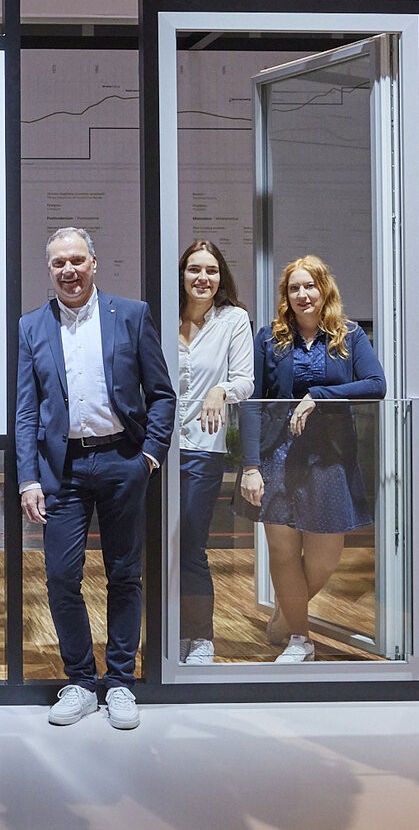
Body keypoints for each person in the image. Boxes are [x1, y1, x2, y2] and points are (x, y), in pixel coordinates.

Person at [16, 227, 174, 730]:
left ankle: (121, 681)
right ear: (50, 270)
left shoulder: (131, 315)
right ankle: (82, 682)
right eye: (59, 262)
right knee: (62, 577)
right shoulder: (31, 327)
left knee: (125, 574)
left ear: (94, 263)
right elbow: (25, 412)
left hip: (123, 461)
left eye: (77, 260)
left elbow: (162, 394)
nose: (69, 270)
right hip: (61, 470)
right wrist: (27, 478)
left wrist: (149, 455)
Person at [238, 254, 386, 663]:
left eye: (309, 286)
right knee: (283, 552)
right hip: (277, 456)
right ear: (285, 296)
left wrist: (318, 397)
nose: (302, 294)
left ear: (324, 290)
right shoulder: (269, 338)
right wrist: (250, 466)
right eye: (293, 288)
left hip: (329, 460)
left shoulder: (350, 335)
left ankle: (286, 616)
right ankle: (300, 637)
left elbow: (376, 385)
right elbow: (252, 402)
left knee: (324, 558)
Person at [174, 239, 253, 666]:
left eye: (211, 270)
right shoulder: (162, 319)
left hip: (203, 449)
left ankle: (200, 636)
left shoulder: (233, 320)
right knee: (154, 545)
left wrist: (220, 390)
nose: (203, 278)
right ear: (182, 275)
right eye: (194, 269)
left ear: (221, 277)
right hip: (157, 450)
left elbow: (245, 380)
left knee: (190, 545)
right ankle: (168, 631)